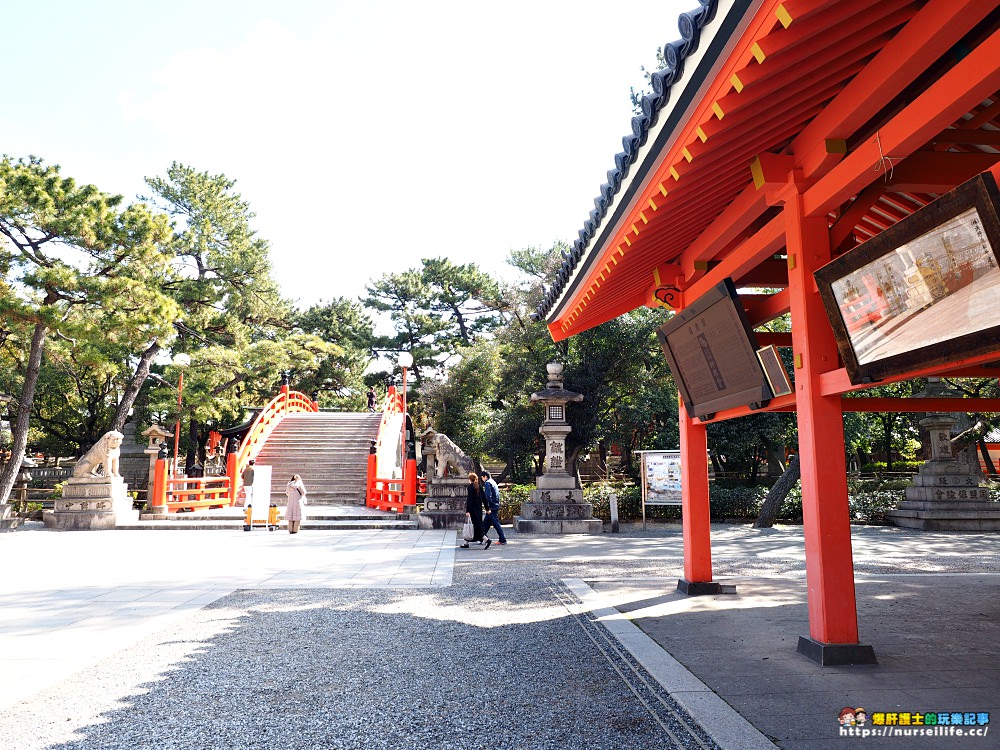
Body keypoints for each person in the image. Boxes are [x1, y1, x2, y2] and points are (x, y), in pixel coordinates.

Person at [460, 471, 488, 549]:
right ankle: (466, 542)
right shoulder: (479, 487)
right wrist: (487, 508)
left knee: (472, 527)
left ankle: (486, 539)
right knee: (472, 526)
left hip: (472, 510)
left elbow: (470, 500)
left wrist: (468, 511)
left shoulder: (471, 487)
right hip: (478, 510)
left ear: (470, 479)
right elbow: (484, 499)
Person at [480, 470, 507, 545]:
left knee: (495, 523)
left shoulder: (488, 483)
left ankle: (502, 539)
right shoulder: (493, 482)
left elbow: (488, 496)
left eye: (482, 477)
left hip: (491, 506)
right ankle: (482, 537)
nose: (482, 479)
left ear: (485, 476)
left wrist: (487, 506)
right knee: (486, 523)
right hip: (495, 505)